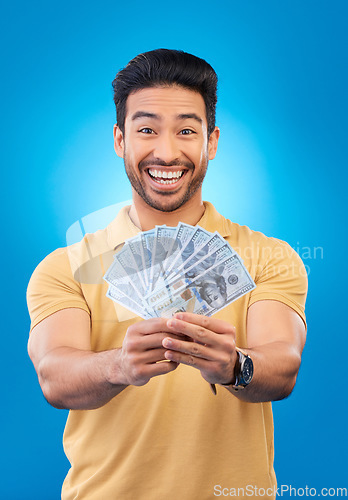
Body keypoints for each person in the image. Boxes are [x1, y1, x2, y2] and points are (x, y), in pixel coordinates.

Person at [27, 49, 308, 500]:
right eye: (146, 130)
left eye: (185, 130)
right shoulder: (66, 267)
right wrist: (119, 365)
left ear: (211, 142)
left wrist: (236, 365)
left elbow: (284, 365)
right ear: (120, 140)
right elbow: (54, 376)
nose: (166, 152)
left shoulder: (269, 257)